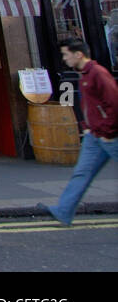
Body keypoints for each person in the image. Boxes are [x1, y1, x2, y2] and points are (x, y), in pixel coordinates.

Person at [39, 40, 118, 226]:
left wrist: (108, 132)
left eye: (66, 54)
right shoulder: (83, 75)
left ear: (78, 54)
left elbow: (114, 104)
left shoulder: (98, 74)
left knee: (82, 173)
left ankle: (64, 210)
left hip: (109, 137)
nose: (64, 59)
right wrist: (86, 126)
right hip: (94, 136)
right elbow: (89, 105)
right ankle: (64, 211)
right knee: (81, 173)